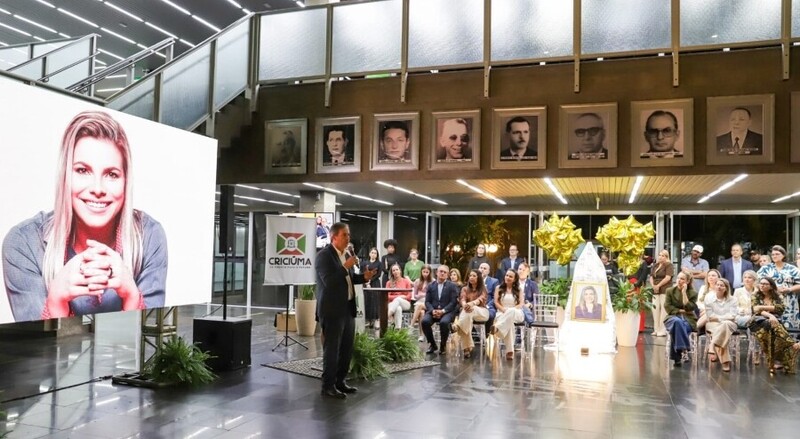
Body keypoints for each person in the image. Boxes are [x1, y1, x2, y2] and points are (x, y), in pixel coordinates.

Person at [3, 111, 167, 322]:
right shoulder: (23, 243)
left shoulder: (149, 236)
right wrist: (56, 303)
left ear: (126, 181)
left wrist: (132, 297)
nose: (97, 189)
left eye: (112, 174)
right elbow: (36, 341)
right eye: (82, 170)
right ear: (65, 176)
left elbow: (150, 334)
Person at [315, 222, 377, 399]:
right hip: (332, 310)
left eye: (349, 234)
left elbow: (348, 279)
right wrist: (345, 267)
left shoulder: (346, 254)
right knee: (332, 349)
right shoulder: (324, 256)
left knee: (346, 348)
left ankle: (340, 381)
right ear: (333, 237)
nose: (348, 238)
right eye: (344, 235)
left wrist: (363, 277)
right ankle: (328, 386)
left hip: (347, 308)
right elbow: (330, 282)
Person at [749, 277, 800, 374]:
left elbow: (781, 308)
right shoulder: (755, 295)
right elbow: (755, 310)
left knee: (771, 335)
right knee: (770, 323)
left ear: (771, 286)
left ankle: (773, 364)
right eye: (761, 283)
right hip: (757, 322)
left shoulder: (777, 296)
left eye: (765, 284)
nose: (762, 285)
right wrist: (770, 315)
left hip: (774, 323)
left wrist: (762, 307)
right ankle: (792, 344)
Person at [757, 245, 800, 329]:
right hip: (770, 301)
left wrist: (789, 289)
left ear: (783, 255)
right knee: (771, 326)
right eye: (773, 254)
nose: (774, 256)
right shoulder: (766, 268)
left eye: (777, 254)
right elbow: (757, 283)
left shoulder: (792, 269)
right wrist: (773, 288)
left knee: (789, 328)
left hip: (789, 302)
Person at [421, 265, 459, 355]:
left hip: (447, 312)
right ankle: (432, 344)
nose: (442, 273)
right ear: (436, 273)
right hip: (433, 311)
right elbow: (427, 302)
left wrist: (443, 311)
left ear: (447, 275)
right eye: (441, 271)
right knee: (424, 321)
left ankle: (443, 345)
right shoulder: (431, 286)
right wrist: (432, 310)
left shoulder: (452, 286)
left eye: (445, 272)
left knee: (444, 322)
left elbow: (453, 302)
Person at [664, 272, 698, 367]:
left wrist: (684, 293)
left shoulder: (693, 293)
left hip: (688, 319)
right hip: (672, 317)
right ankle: (684, 350)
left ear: (687, 281)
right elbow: (667, 307)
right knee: (677, 322)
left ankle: (677, 358)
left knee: (677, 328)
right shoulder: (670, 291)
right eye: (678, 278)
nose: (679, 280)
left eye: (682, 279)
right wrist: (680, 310)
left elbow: (690, 307)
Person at [704, 278, 738, 372]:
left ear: (726, 288)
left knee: (725, 325)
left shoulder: (733, 299)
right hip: (713, 324)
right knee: (723, 332)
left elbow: (733, 316)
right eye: (717, 285)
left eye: (722, 285)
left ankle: (712, 344)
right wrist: (724, 318)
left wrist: (719, 319)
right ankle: (725, 362)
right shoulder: (708, 297)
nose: (719, 287)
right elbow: (710, 316)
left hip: (730, 324)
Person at [454, 269, 489, 358]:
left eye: (474, 276)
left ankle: (458, 325)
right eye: (470, 276)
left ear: (478, 278)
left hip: (482, 312)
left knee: (471, 309)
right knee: (467, 318)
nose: (471, 277)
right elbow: (462, 299)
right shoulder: (465, 289)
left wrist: (472, 303)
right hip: (468, 312)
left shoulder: (483, 288)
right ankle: (466, 349)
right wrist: (465, 305)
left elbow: (481, 299)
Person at [491, 269, 524, 360]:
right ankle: (510, 351)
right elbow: (496, 302)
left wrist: (510, 310)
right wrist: (503, 310)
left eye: (510, 276)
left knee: (511, 311)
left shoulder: (519, 289)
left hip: (516, 312)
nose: (508, 277)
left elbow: (521, 304)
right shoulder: (498, 288)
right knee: (510, 324)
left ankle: (497, 327)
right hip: (502, 312)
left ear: (514, 279)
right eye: (507, 275)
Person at [649, 249, 674, 337]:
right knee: (655, 309)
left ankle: (662, 330)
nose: (660, 257)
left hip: (664, 289)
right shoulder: (655, 265)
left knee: (664, 310)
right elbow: (651, 277)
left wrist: (658, 285)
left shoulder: (669, 265)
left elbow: (668, 278)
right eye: (659, 255)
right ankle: (656, 329)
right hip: (655, 289)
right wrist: (653, 286)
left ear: (666, 257)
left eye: (663, 255)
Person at [386, 263, 413, 330]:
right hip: (392, 304)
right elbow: (387, 296)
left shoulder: (406, 281)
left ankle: (387, 316)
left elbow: (409, 296)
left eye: (397, 270)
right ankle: (398, 329)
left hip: (405, 303)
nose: (395, 272)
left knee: (398, 300)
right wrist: (400, 296)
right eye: (393, 270)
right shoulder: (389, 283)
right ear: (392, 273)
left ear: (400, 271)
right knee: (398, 308)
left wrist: (401, 298)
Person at [410, 264, 433, 341]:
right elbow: (415, 295)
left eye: (427, 272)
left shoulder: (433, 281)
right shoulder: (417, 281)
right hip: (419, 301)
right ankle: (421, 335)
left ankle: (411, 326)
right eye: (424, 272)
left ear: (430, 272)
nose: (425, 274)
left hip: (428, 303)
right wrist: (419, 296)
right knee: (422, 313)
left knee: (419, 306)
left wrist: (423, 294)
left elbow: (433, 295)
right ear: (421, 272)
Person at [360, 247, 382, 327]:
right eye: (372, 253)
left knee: (375, 301)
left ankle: (375, 319)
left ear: (377, 255)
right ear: (369, 254)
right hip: (365, 283)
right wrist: (366, 281)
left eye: (375, 253)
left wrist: (370, 280)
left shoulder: (379, 263)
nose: (373, 254)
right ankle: (367, 320)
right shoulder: (364, 263)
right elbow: (362, 272)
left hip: (375, 283)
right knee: (367, 300)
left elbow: (379, 274)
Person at [695, 268, 721, 333]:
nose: (710, 277)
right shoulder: (703, 288)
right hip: (702, 312)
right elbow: (699, 302)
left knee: (708, 314)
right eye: (709, 276)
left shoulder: (721, 289)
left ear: (718, 278)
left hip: (716, 313)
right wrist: (706, 309)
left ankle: (695, 329)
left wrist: (708, 310)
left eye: (713, 275)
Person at [479, 262, 500, 333]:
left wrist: (487, 305)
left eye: (485, 268)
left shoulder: (494, 281)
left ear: (488, 271)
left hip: (489, 306)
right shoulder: (474, 280)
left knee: (490, 315)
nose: (482, 270)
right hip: (477, 305)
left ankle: (486, 333)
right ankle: (475, 336)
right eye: (481, 268)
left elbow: (495, 297)